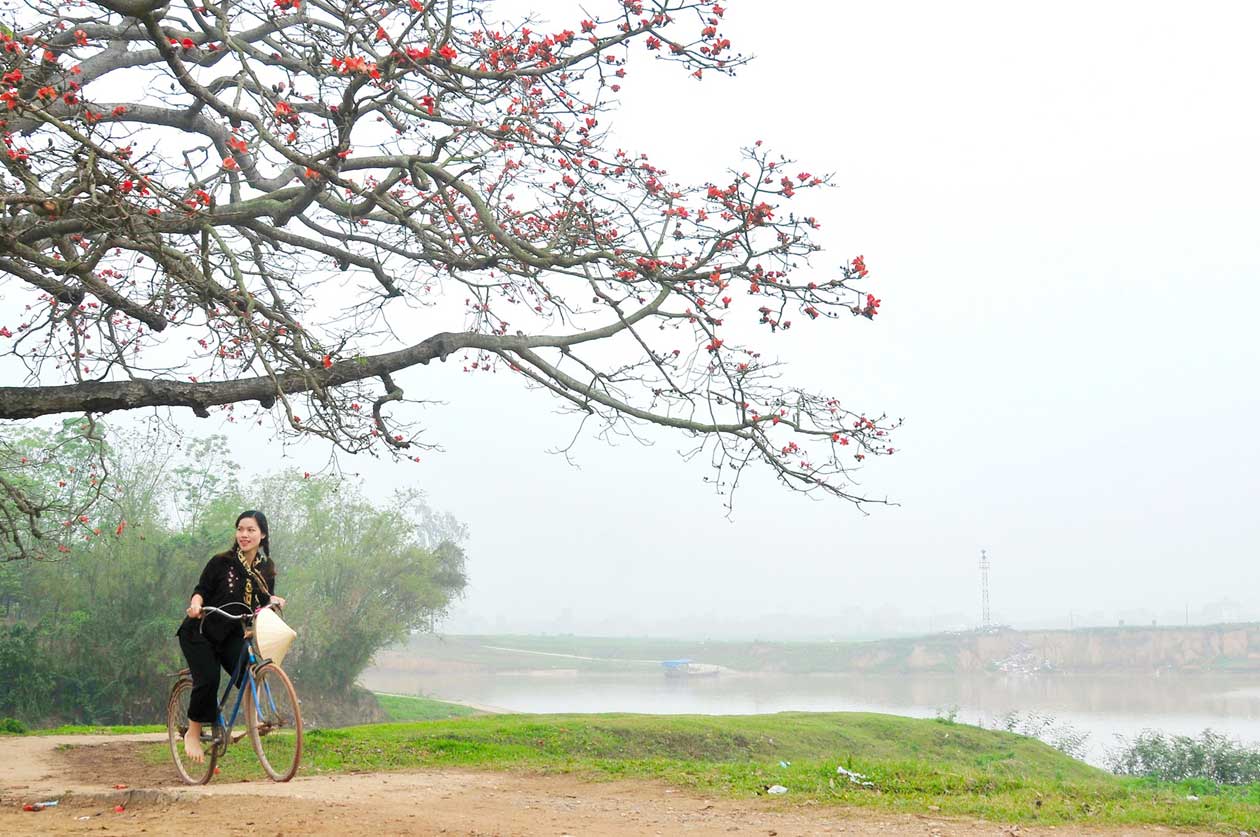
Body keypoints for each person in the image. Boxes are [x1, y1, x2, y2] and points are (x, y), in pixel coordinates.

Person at [176, 510, 286, 763]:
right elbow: (200, 590)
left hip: (231, 632)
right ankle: (192, 733)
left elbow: (261, 602)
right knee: (209, 678)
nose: (244, 535)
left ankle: (254, 720)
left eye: (251, 530)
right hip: (201, 631)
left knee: (250, 671)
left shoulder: (266, 569)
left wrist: (272, 601)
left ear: (263, 534)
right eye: (240, 529)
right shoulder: (220, 562)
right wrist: (195, 605)